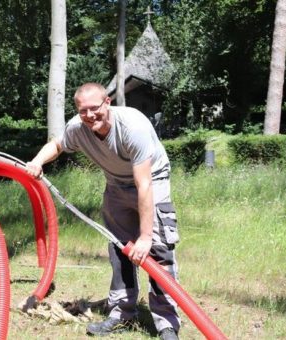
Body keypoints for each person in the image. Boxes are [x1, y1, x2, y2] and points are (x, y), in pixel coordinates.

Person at [25, 83, 181, 340]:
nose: (89, 115)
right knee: (119, 250)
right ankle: (122, 314)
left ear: (107, 102)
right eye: (82, 110)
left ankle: (166, 324)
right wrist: (37, 162)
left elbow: (144, 185)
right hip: (116, 184)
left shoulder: (133, 126)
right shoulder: (78, 127)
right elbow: (58, 145)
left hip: (153, 180)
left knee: (159, 249)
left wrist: (144, 237)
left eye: (94, 108)